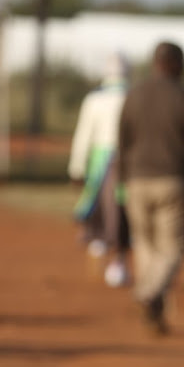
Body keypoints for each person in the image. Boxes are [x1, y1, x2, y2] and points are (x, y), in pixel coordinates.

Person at [118, 41, 184, 334]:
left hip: (136, 180)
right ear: (175, 64)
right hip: (173, 181)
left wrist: (122, 178)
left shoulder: (134, 93)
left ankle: (153, 304)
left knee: (145, 245)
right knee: (172, 248)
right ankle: (148, 293)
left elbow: (122, 140)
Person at [68, 53, 131, 287]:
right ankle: (119, 263)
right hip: (126, 165)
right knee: (121, 212)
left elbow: (83, 136)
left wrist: (76, 168)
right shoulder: (132, 97)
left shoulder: (94, 100)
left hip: (98, 166)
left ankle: (99, 255)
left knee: (99, 211)